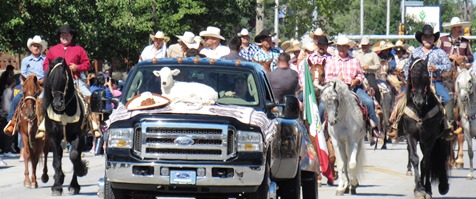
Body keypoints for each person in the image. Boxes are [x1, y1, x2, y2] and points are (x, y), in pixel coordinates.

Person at [389, 24, 453, 138]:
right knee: (401, 100)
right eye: (425, 37)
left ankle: (448, 126)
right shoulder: (415, 53)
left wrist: (437, 67)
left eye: (430, 37)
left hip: (434, 81)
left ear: (434, 39)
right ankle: (396, 125)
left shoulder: (440, 52)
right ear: (421, 38)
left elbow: (449, 66)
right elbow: (407, 67)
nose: (428, 39)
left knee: (448, 100)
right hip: (416, 84)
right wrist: (409, 81)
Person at [38, 24, 93, 139]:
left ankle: (91, 123)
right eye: (62, 35)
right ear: (59, 37)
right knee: (40, 99)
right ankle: (42, 125)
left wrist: (77, 67)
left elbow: (87, 64)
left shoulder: (79, 50)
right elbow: (46, 64)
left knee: (89, 96)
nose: (64, 37)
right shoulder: (53, 50)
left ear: (71, 36)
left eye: (67, 35)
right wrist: (52, 72)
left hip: (74, 81)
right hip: (56, 84)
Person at [319, 35, 379, 131]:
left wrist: (355, 81)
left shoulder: (354, 61)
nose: (341, 49)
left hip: (352, 88)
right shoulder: (331, 61)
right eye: (339, 46)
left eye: (344, 46)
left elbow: (360, 75)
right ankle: (321, 128)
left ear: (348, 47)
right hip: (335, 90)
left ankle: (374, 125)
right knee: (322, 106)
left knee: (368, 102)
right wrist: (337, 80)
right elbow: (328, 77)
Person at [4, 35, 47, 136]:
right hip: (28, 86)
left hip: (41, 86)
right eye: (34, 46)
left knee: (50, 100)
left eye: (38, 46)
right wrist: (31, 78)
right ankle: (11, 121)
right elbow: (23, 75)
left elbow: (47, 73)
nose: (36, 48)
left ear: (41, 48)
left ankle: (49, 124)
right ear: (31, 47)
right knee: (16, 99)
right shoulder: (25, 60)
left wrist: (41, 80)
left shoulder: (45, 60)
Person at [354, 36, 382, 103]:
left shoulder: (373, 54)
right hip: (358, 75)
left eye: (366, 45)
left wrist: (369, 67)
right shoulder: (356, 54)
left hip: (369, 74)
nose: (364, 47)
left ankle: (378, 103)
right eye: (363, 45)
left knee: (375, 88)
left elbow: (378, 65)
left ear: (369, 45)